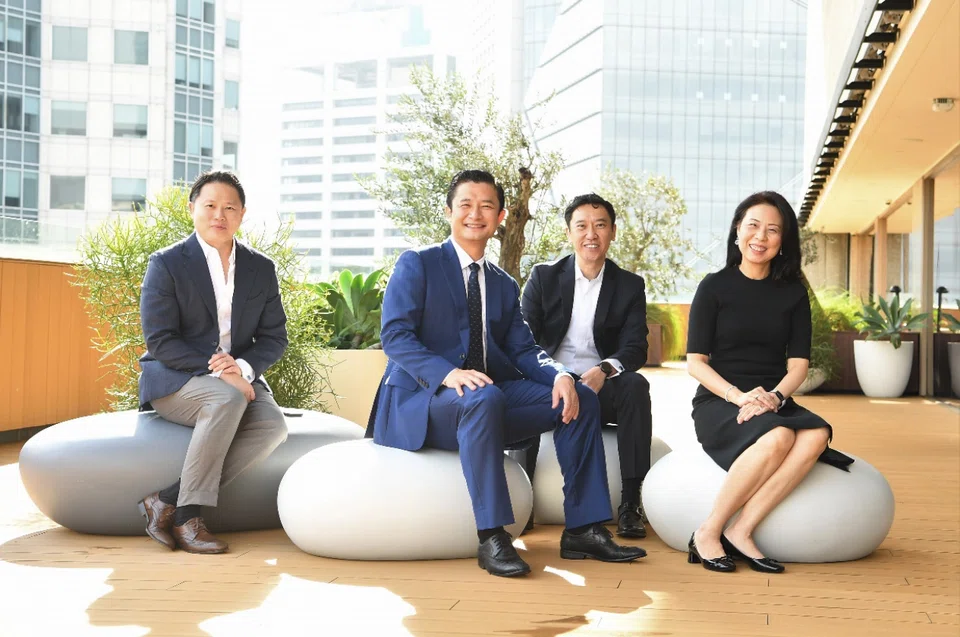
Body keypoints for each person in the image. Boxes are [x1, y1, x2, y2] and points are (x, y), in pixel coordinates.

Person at [366, 169, 646, 578]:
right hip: (425, 402)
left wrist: (561, 375)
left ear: (499, 218)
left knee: (581, 396)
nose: (475, 214)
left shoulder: (502, 283)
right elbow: (395, 336)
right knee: (485, 396)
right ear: (448, 211)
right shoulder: (418, 264)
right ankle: (493, 536)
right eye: (466, 204)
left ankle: (583, 529)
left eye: (487, 206)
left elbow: (524, 349)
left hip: (486, 399)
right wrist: (449, 374)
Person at [685, 191, 853, 574]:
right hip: (721, 399)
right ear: (737, 230)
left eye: (773, 230)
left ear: (783, 241)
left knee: (816, 434)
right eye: (753, 225)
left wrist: (775, 397)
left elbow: (799, 366)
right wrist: (739, 397)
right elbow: (695, 363)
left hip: (772, 399)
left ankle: (741, 529)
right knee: (779, 437)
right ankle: (708, 531)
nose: (761, 236)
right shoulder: (713, 286)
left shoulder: (793, 293)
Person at [136, 171, 288, 554]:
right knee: (227, 398)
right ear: (192, 209)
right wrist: (220, 370)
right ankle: (188, 517)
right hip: (176, 379)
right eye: (210, 205)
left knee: (272, 426)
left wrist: (242, 369)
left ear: (242, 214)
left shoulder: (261, 268)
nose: (220, 215)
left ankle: (166, 500)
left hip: (239, 377)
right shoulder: (167, 263)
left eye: (229, 208)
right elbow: (160, 340)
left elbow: (274, 337)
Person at [521, 193, 653, 538]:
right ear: (569, 233)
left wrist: (604, 370)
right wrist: (557, 374)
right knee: (520, 386)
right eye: (581, 226)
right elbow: (523, 341)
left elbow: (636, 347)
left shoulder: (630, 285)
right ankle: (523, 502)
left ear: (613, 232)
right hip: (551, 384)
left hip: (599, 386)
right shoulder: (543, 277)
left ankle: (630, 503)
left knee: (636, 386)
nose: (591, 234)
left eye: (600, 225)